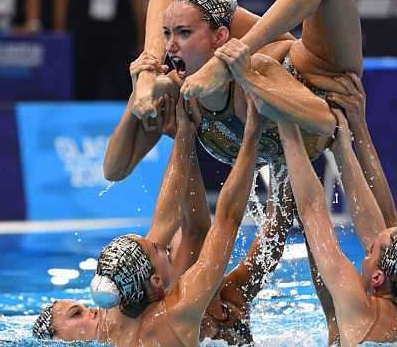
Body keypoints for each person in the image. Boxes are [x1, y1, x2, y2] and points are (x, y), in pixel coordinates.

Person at [103, 0, 364, 183]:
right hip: (267, 61)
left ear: (220, 38)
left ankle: (203, 63)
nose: (171, 45)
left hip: (314, 71)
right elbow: (114, 171)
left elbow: (326, 122)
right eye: (168, 34)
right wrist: (141, 88)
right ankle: (150, 67)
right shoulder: (178, 91)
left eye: (183, 33)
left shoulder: (242, 70)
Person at [34, 96, 268, 345]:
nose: (160, 241)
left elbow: (167, 218)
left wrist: (183, 137)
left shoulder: (114, 319)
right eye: (157, 248)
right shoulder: (179, 311)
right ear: (155, 280)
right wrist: (253, 131)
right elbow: (227, 220)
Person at [276, 109, 397, 345]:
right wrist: (344, 144)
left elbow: (311, 211)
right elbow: (389, 228)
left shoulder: (360, 306)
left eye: (371, 251)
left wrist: (285, 122)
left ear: (378, 277)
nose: (366, 250)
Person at [53, 0, 146, 100]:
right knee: (83, 88)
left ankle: (124, 122)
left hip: (120, 30)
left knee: (123, 86)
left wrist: (142, 36)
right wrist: (60, 36)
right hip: (82, 30)